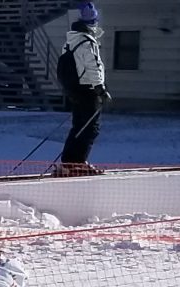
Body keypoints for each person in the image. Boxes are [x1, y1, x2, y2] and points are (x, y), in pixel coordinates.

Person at [58, 2, 109, 177]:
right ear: (92, 22)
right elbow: (93, 66)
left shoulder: (71, 41)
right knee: (90, 127)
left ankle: (69, 161)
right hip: (88, 89)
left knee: (78, 126)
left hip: (74, 90)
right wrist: (100, 89)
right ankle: (78, 162)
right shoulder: (88, 42)